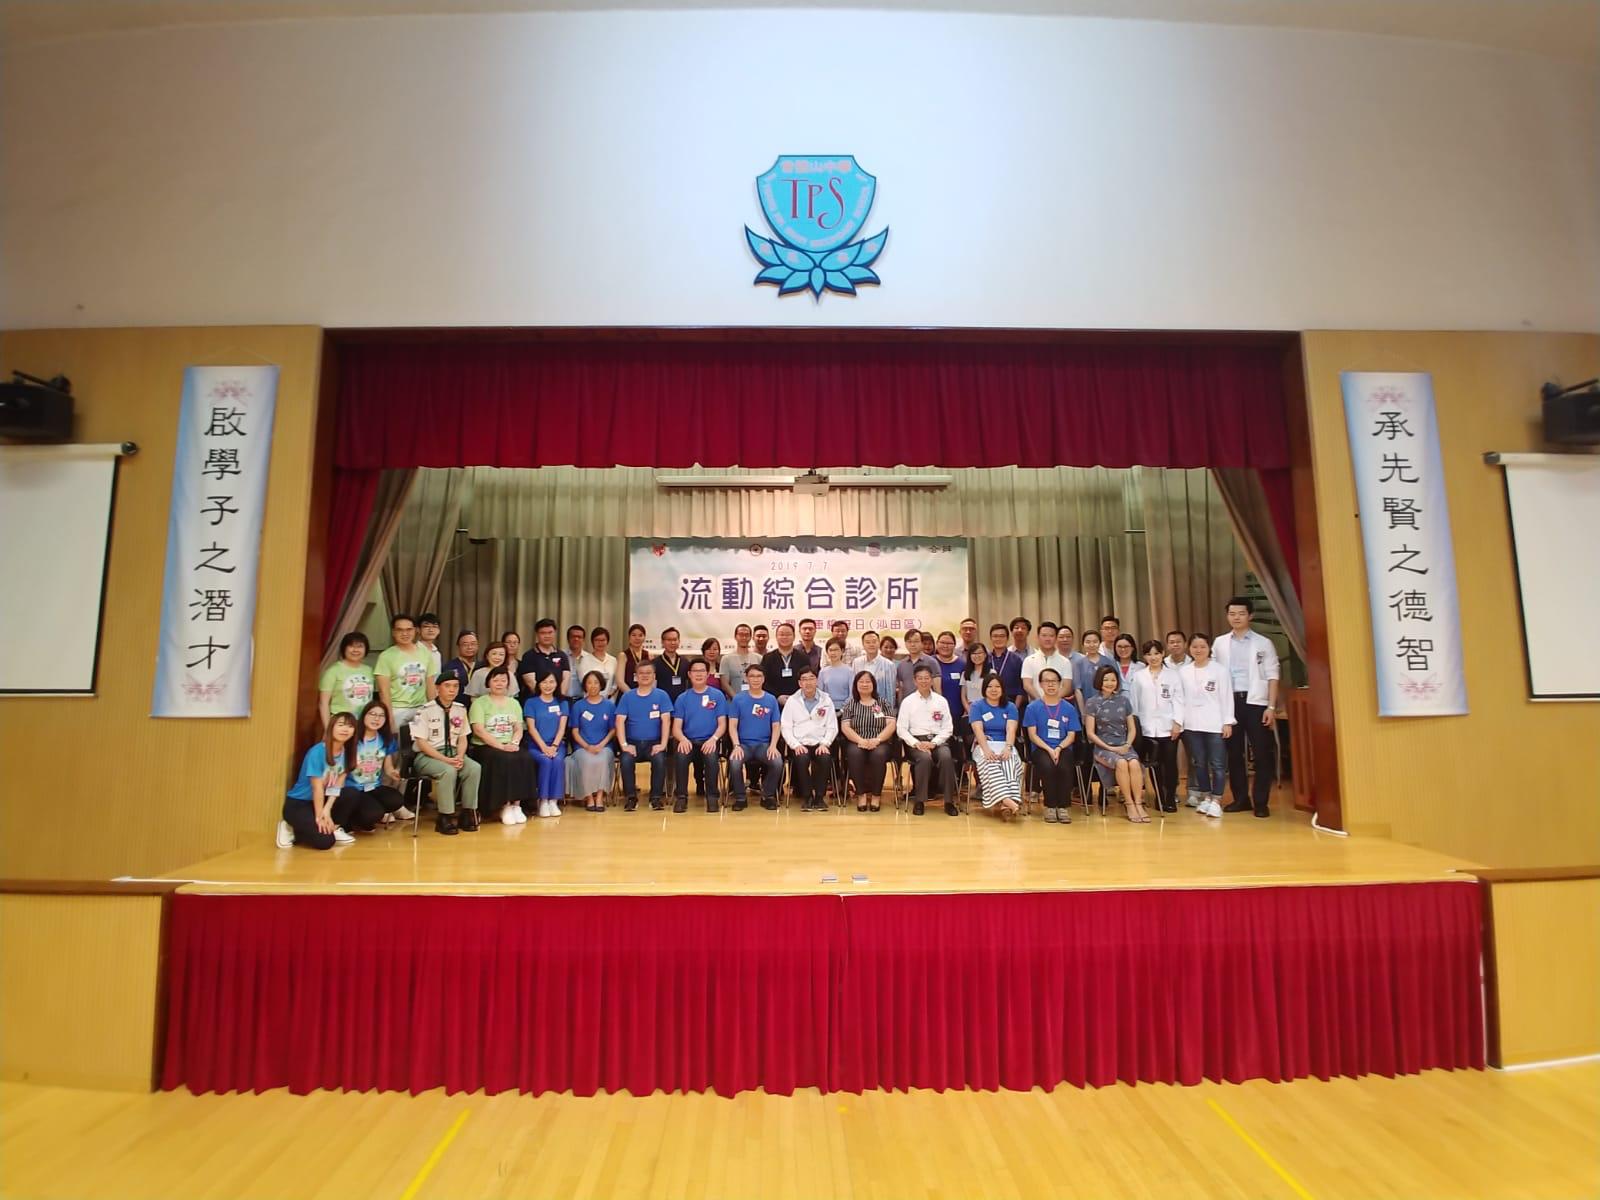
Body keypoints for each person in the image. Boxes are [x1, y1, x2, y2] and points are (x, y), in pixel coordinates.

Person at [1212, 596, 1281, 818]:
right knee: (1234, 753)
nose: (1236, 618)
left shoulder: (1263, 643)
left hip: (1256, 702)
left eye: (1241, 613)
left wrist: (1271, 706)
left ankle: (1261, 801)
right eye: (1232, 614)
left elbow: (1273, 675)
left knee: (1261, 753)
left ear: (1250, 615)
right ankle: (1241, 798)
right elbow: (1213, 673)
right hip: (1229, 702)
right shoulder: (1220, 643)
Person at [276, 712, 373, 850]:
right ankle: (289, 827)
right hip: (299, 803)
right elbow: (317, 788)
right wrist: (319, 816)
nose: (345, 729)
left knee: (351, 793)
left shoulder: (348, 753)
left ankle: (334, 827)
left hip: (322, 799)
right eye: (341, 725)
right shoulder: (317, 752)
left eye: (350, 726)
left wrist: (327, 810)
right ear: (331, 727)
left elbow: (337, 786)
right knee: (325, 842)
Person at [409, 673, 480, 835]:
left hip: (454, 753)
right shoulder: (424, 710)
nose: (452, 690)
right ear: (437, 688)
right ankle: (445, 817)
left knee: (474, 768)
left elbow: (463, 738)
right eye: (447, 686)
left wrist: (460, 756)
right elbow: (422, 743)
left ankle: (468, 813)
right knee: (447, 771)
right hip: (428, 756)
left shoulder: (460, 709)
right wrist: (445, 760)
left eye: (455, 686)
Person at [469, 666, 538, 824]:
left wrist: (514, 743)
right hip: (486, 746)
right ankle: (504, 805)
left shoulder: (514, 703)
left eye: (503, 680)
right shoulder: (479, 703)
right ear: (488, 682)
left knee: (525, 757)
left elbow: (518, 728)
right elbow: (479, 730)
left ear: (508, 683)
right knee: (505, 759)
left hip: (509, 744)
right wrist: (501, 746)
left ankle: (517, 805)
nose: (499, 683)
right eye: (496, 680)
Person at [1177, 633, 1233, 818]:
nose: (1198, 650)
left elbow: (1227, 697)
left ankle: (1217, 800)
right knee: (1199, 763)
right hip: (1192, 724)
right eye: (1195, 647)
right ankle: (1206, 797)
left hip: (1215, 724)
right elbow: (1180, 699)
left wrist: (1227, 721)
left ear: (1209, 648)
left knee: (1217, 764)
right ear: (1189, 649)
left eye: (1202, 646)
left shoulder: (1220, 670)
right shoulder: (1184, 671)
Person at [1083, 665, 1147, 822]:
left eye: (1113, 680)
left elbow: (1132, 728)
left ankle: (1138, 804)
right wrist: (1110, 748)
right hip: (1103, 747)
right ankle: (1129, 804)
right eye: (1106, 680)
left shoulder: (1124, 701)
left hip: (1124, 745)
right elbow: (1090, 733)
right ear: (1099, 681)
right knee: (1121, 763)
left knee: (1134, 763)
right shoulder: (1092, 702)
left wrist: (1127, 745)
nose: (1110, 683)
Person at [896, 663, 957, 816]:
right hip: (915, 743)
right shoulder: (908, 701)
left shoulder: (941, 701)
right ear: (915, 681)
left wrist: (934, 743)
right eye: (920, 678)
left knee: (946, 757)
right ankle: (920, 801)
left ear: (931, 680)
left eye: (927, 678)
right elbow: (901, 729)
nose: (924, 681)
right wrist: (916, 743)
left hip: (938, 741)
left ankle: (949, 801)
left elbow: (948, 728)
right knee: (924, 759)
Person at [1022, 668, 1081, 824]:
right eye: (1046, 681)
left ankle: (1063, 807)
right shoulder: (1032, 708)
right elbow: (1032, 735)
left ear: (1060, 684)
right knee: (1047, 766)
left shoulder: (1069, 708)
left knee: (1064, 766)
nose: (1050, 685)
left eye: (1054, 681)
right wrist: (1049, 749)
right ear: (1040, 684)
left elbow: (1071, 735)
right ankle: (1050, 806)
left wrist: (1059, 748)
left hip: (1063, 747)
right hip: (1041, 748)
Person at [1130, 639, 1182, 813]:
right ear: (1144, 657)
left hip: (1169, 728)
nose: (1153, 657)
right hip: (1147, 728)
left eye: (1156, 653)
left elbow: (1179, 701)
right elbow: (1135, 704)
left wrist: (1177, 723)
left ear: (1163, 654)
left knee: (1170, 764)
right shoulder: (1139, 677)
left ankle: (1170, 797)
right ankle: (1159, 796)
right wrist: (1136, 728)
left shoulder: (1173, 675)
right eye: (1149, 654)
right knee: (1154, 764)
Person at [672, 659, 728, 813]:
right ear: (689, 674)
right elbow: (676, 728)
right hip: (688, 740)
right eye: (695, 671)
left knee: (711, 758)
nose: (698, 674)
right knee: (681, 756)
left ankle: (712, 797)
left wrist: (713, 739)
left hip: (710, 740)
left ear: (708, 674)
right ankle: (681, 797)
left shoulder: (717, 695)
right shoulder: (682, 698)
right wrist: (683, 739)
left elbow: (722, 724)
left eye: (702, 671)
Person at [614, 661, 671, 811]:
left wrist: (663, 744)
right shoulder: (627, 697)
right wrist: (624, 745)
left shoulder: (662, 695)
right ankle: (631, 798)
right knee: (626, 760)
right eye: (641, 673)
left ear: (654, 676)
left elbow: (666, 721)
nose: (645, 676)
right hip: (632, 743)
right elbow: (619, 721)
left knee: (660, 760)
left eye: (648, 673)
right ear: (635, 676)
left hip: (654, 742)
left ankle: (656, 798)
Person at [780, 666, 837, 811]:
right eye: (804, 679)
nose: (808, 682)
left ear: (816, 680)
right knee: (801, 759)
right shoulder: (792, 701)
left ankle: (819, 797)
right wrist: (795, 745)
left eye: (811, 678)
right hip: (800, 743)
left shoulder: (826, 700)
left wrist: (825, 743)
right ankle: (807, 797)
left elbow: (832, 726)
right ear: (800, 683)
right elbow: (786, 727)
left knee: (825, 758)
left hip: (820, 743)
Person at [728, 664, 784, 810]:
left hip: (763, 745)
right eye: (752, 676)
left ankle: (767, 795)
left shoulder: (771, 699)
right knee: (734, 763)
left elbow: (776, 725)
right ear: (746, 678)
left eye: (759, 676)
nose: (755, 679)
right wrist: (736, 745)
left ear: (764, 679)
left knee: (777, 763)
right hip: (743, 745)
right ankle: (740, 797)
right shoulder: (738, 699)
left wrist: (773, 746)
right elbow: (732, 725)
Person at [966, 674, 1022, 818]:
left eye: (997, 686)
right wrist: (986, 750)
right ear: (984, 689)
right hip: (984, 744)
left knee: (1011, 763)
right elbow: (978, 729)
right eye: (990, 686)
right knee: (990, 764)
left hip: (1005, 743)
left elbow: (1011, 729)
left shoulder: (1010, 707)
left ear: (1002, 689)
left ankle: (1006, 803)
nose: (993, 689)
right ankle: (1009, 801)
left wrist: (1008, 747)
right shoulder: (977, 706)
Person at [839, 669, 895, 813]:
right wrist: (860, 740)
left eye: (868, 681)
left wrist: (878, 739)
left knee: (878, 755)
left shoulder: (882, 703)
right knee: (855, 754)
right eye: (861, 682)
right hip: (856, 741)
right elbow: (845, 727)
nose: (864, 684)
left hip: (880, 741)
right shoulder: (851, 704)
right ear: (856, 685)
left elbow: (891, 724)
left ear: (873, 684)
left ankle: (876, 795)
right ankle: (861, 794)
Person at [348, 699, 410, 823]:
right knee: (373, 815)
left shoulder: (386, 739)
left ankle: (371, 810)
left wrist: (394, 773)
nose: (377, 719)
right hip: (352, 788)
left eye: (381, 716)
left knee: (396, 800)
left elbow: (388, 768)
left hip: (373, 787)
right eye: (373, 714)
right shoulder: (352, 738)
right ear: (364, 715)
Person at [374, 613, 435, 734]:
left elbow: (430, 686)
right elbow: (383, 692)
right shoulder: (386, 657)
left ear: (415, 630)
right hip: (397, 709)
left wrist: (433, 710)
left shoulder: (425, 653)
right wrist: (389, 718)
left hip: (421, 707)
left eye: (409, 629)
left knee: (422, 743)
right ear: (393, 632)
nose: (405, 633)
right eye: (400, 630)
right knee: (397, 743)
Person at [569, 671, 617, 813]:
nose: (593, 686)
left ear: (601, 684)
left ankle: (600, 797)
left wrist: (601, 745)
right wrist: (587, 746)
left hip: (604, 746)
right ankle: (589, 797)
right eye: (589, 683)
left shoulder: (609, 705)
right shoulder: (578, 706)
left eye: (596, 682)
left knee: (603, 759)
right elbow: (575, 731)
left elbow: (613, 730)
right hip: (582, 746)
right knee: (586, 760)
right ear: (585, 685)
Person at [522, 671, 568, 818]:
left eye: (552, 682)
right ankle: (543, 800)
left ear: (557, 684)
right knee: (546, 761)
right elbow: (531, 729)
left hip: (557, 745)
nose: (548, 685)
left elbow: (562, 728)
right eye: (544, 682)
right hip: (536, 745)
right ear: (538, 684)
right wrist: (544, 748)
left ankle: (553, 801)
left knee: (558, 761)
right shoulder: (531, 703)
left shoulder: (562, 703)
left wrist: (553, 746)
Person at [318, 631, 376, 727]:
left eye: (360, 646)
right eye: (351, 646)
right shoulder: (333, 671)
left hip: (364, 722)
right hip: (341, 722)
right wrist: (328, 728)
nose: (355, 650)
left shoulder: (369, 670)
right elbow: (323, 703)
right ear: (344, 648)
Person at [517, 618, 572, 700]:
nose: (547, 636)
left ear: (555, 633)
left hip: (558, 700)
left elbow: (566, 679)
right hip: (536, 700)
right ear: (537, 634)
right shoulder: (528, 656)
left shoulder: (562, 655)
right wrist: (546, 700)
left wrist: (559, 697)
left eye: (550, 632)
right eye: (543, 633)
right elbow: (531, 683)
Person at [1021, 621, 1075, 703]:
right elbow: (1027, 685)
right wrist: (1041, 701)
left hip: (1058, 705)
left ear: (1056, 638)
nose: (1047, 639)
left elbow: (1066, 687)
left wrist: (1051, 700)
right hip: (1036, 705)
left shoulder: (1065, 662)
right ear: (1038, 637)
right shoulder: (1029, 660)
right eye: (1044, 635)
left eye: (1051, 636)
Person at [850, 630, 899, 715]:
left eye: (874, 642)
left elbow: (891, 693)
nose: (871, 644)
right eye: (868, 642)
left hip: (879, 708)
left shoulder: (888, 665)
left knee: (877, 723)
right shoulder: (856, 662)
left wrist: (889, 713)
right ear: (863, 645)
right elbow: (854, 686)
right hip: (860, 708)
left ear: (879, 643)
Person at [759, 622, 806, 701]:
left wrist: (795, 697)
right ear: (776, 637)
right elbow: (763, 681)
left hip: (799, 701)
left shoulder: (803, 657)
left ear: (794, 637)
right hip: (773, 701)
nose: (784, 637)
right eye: (781, 634)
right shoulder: (767, 658)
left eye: (788, 634)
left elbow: (806, 679)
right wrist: (777, 697)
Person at [893, 629, 939, 710]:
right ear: (905, 644)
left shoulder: (932, 662)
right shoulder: (901, 665)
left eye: (916, 641)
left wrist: (937, 708)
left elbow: (937, 689)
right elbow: (901, 689)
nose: (912, 644)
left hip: (928, 707)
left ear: (922, 643)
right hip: (908, 708)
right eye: (909, 641)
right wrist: (900, 707)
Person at [575, 626, 620, 698]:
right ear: (592, 642)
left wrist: (610, 694)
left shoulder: (613, 660)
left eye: (603, 640)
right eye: (597, 640)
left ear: (607, 641)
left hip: (608, 701)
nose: (600, 643)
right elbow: (583, 682)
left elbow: (616, 683)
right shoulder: (584, 660)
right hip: (590, 700)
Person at [987, 623, 1025, 709]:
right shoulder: (986, 658)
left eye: (1002, 636)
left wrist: (1014, 708)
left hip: (1010, 703)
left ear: (1007, 638)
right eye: (995, 636)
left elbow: (1021, 687)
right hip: (988, 704)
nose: (998, 639)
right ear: (991, 638)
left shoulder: (1016, 659)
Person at [1072, 630, 1115, 699]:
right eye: (1088, 642)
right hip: (1086, 702)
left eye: (1095, 642)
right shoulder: (1078, 664)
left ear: (1100, 643)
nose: (1091, 645)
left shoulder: (1108, 661)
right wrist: (1082, 706)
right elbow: (1077, 690)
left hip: (1106, 702)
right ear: (1083, 644)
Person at [720, 623, 761, 698]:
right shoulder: (726, 659)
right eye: (741, 635)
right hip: (734, 701)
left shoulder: (759, 658)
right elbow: (724, 684)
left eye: (747, 635)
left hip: (755, 701)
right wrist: (737, 700)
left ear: (750, 637)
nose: (744, 637)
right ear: (735, 637)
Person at [654, 627, 689, 704]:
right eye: (669, 640)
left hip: (682, 703)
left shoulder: (685, 662)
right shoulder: (655, 663)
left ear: (679, 641)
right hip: (662, 703)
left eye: (675, 639)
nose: (672, 643)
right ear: (662, 642)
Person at [818, 638, 855, 707]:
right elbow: (820, 693)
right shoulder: (823, 672)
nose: (833, 653)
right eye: (830, 650)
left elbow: (852, 695)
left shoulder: (850, 671)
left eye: (836, 650)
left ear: (842, 651)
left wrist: (843, 708)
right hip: (827, 708)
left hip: (845, 708)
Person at [621, 623, 651, 689]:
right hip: (627, 692)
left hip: (645, 692)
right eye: (634, 635)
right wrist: (631, 694)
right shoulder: (623, 655)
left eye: (640, 635)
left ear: (644, 638)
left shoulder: (648, 655)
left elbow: (651, 678)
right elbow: (620, 681)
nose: (637, 638)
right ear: (629, 637)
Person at [416, 613, 444, 681]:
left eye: (435, 626)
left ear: (439, 631)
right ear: (418, 629)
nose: (431, 630)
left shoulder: (437, 653)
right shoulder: (414, 650)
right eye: (426, 626)